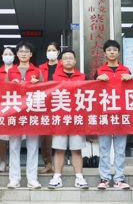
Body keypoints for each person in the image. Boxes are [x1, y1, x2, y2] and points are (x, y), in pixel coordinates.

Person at [47, 49, 89, 190]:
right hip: (60, 119)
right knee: (59, 149)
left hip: (77, 119)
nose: (68, 60)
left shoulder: (83, 77)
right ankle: (57, 177)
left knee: (76, 150)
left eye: (71, 58)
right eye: (65, 58)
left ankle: (79, 177)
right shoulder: (54, 77)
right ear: (61, 61)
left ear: (75, 60)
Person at [95, 39, 133, 190]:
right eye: (109, 50)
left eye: (115, 50)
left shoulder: (126, 70)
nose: (112, 52)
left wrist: (132, 80)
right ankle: (104, 178)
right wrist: (97, 81)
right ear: (104, 53)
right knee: (104, 149)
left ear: (119, 52)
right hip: (104, 115)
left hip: (121, 115)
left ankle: (119, 179)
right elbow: (92, 93)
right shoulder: (99, 71)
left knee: (120, 150)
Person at [7, 41, 42, 189]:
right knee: (14, 146)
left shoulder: (37, 71)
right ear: (17, 54)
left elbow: (45, 92)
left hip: (32, 112)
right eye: (21, 51)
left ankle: (32, 179)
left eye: (26, 51)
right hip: (15, 113)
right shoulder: (11, 72)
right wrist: (11, 85)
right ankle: (14, 179)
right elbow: (3, 92)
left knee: (33, 146)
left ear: (31, 54)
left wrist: (37, 84)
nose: (23, 54)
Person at [0, 47, 17, 173]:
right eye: (5, 54)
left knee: (14, 136)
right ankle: (3, 162)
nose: (8, 56)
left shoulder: (18, 70)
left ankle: (13, 162)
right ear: (2, 56)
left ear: (14, 56)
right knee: (2, 136)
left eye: (10, 54)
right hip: (1, 105)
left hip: (16, 105)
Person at [37, 42, 61, 175]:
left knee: (60, 133)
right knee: (45, 134)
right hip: (45, 104)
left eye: (53, 50)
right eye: (48, 50)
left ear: (58, 52)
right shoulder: (40, 68)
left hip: (61, 102)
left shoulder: (64, 66)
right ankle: (48, 163)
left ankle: (59, 163)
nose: (51, 52)